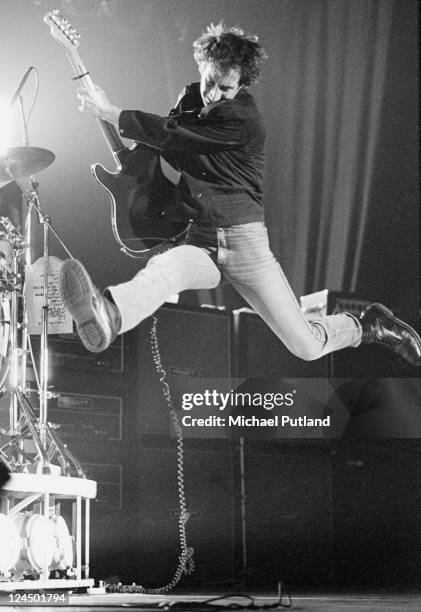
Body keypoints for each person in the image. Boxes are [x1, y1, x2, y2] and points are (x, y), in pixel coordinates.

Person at [59, 23, 421, 368]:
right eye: (210, 82)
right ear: (201, 66)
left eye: (225, 88)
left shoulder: (243, 118)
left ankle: (369, 325)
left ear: (241, 86)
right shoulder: (189, 98)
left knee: (306, 347)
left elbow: (174, 136)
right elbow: (162, 145)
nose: (214, 94)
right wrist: (111, 127)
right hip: (201, 240)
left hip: (246, 245)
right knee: (163, 271)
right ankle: (109, 312)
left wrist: (114, 112)